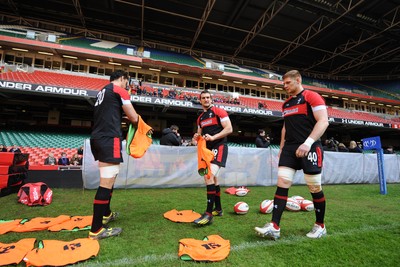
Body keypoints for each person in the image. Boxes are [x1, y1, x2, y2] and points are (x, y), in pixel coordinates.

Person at [255, 70, 329, 239]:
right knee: (282, 183)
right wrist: (281, 148)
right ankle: (274, 226)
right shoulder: (286, 104)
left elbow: (323, 121)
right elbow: (285, 127)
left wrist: (308, 143)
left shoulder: (312, 96)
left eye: (288, 83)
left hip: (310, 146)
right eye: (284, 83)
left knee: (314, 187)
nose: (285, 86)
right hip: (289, 148)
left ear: (298, 80)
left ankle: (320, 225)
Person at [89, 70, 146, 240]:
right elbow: (133, 117)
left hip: (98, 138)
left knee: (110, 178)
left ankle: (106, 214)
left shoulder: (102, 91)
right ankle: (96, 229)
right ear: (122, 79)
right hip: (109, 139)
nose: (127, 86)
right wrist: (141, 125)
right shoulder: (119, 90)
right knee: (106, 182)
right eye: (127, 82)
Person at [192, 90, 233, 226]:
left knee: (208, 176)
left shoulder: (219, 111)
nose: (206, 100)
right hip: (207, 150)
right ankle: (218, 209)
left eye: (208, 97)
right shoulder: (200, 118)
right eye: (203, 98)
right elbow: (199, 135)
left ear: (211, 99)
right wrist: (195, 138)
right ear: (200, 100)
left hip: (220, 147)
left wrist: (214, 137)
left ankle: (208, 214)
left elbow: (229, 129)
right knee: (214, 178)